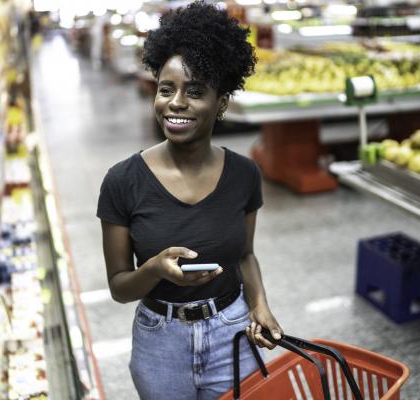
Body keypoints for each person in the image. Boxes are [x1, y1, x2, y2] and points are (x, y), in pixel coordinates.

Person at [96, 2, 283, 399]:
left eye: (195, 92)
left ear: (221, 104)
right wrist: (155, 269)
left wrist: (260, 305)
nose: (176, 102)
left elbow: (245, 255)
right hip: (160, 341)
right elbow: (119, 287)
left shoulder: (244, 174)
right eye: (167, 89)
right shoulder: (123, 181)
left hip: (232, 331)